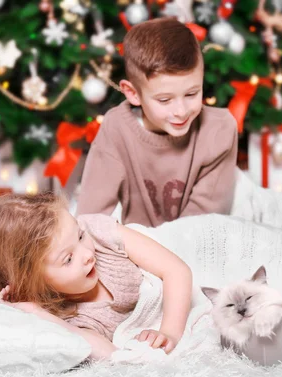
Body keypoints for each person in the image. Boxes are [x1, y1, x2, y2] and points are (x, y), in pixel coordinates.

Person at [0, 192, 193, 360]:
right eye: (68, 259)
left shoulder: (98, 232)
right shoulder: (74, 318)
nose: (88, 255)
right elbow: (110, 354)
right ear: (34, 282)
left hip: (183, 243)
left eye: (80, 236)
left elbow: (176, 269)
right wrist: (37, 312)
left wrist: (170, 333)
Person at [76, 17, 238, 227]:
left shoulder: (219, 129)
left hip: (200, 240)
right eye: (164, 100)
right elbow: (89, 217)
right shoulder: (116, 128)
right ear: (133, 93)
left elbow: (202, 227)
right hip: (146, 248)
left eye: (191, 94)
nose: (180, 111)